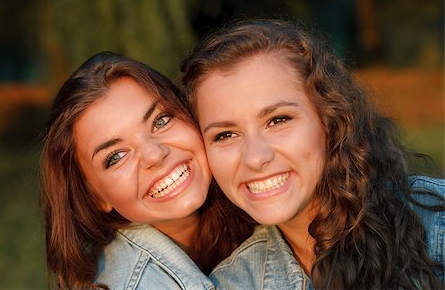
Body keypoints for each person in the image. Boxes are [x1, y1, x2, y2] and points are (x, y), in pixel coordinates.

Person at [180, 19, 444, 289]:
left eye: (277, 120)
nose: (254, 157)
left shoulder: (438, 225)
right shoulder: (232, 283)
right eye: (225, 135)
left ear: (330, 119)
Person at [41, 51, 254, 289]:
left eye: (160, 121)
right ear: (94, 196)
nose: (154, 154)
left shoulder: (259, 210)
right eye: (116, 157)